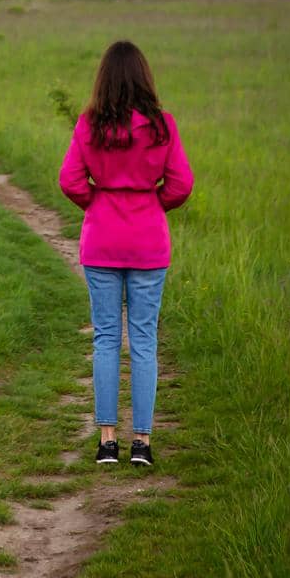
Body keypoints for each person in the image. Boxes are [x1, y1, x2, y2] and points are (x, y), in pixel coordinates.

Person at [58, 40, 194, 468]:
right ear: (144, 78)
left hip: (101, 239)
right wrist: (153, 205)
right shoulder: (162, 126)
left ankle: (106, 441)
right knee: (144, 341)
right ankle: (143, 443)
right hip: (149, 241)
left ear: (104, 80)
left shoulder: (90, 124)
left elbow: (70, 180)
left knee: (105, 338)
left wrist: (97, 202)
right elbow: (181, 185)